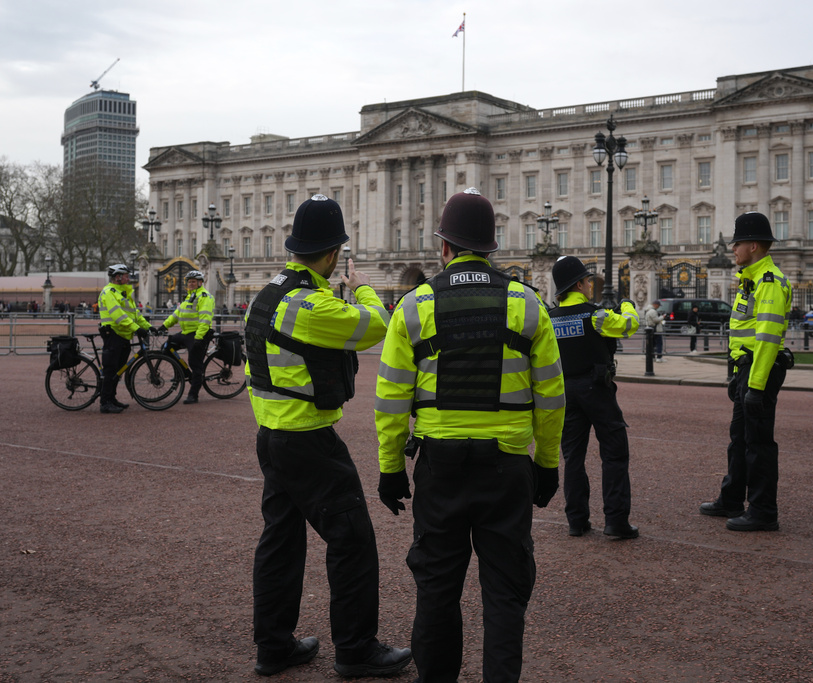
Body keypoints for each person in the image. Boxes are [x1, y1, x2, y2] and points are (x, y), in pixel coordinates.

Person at [374, 188, 564, 683]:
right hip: (507, 465)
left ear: (445, 246)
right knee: (505, 593)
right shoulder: (528, 304)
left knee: (437, 590)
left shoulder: (414, 305)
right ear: (491, 246)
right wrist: (546, 462)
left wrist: (391, 468)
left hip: (441, 466)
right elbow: (551, 399)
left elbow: (392, 402)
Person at [244, 194, 410, 678]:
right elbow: (375, 326)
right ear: (334, 252)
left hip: (271, 433)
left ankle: (274, 646)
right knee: (352, 542)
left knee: (281, 541)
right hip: (308, 439)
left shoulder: (268, 290)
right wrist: (360, 289)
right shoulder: (309, 303)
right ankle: (356, 649)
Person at [700, 212, 792, 532]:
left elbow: (767, 338)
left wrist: (755, 385)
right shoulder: (750, 278)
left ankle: (764, 510)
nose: (732, 249)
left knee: (759, 443)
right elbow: (744, 332)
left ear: (753, 245)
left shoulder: (769, 282)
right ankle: (732, 498)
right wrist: (736, 375)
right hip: (747, 368)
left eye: (737, 243)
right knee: (739, 439)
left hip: (760, 369)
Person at [549, 255, 641, 539]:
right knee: (614, 452)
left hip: (564, 391)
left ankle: (577, 520)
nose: (590, 284)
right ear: (578, 284)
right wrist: (627, 305)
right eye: (588, 280)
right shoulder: (595, 314)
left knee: (573, 457)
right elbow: (629, 325)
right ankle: (616, 520)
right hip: (596, 387)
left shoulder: (550, 318)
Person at [97, 263, 152, 414]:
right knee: (110, 370)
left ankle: (112, 398)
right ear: (117, 277)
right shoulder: (109, 292)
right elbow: (118, 316)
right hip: (113, 334)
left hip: (124, 335)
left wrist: (147, 326)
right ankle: (105, 403)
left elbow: (135, 314)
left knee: (118, 370)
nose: (129, 278)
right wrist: (137, 329)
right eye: (126, 275)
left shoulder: (124, 292)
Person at [154, 270, 214, 404]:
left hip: (198, 334)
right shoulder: (189, 296)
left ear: (200, 283)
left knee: (195, 363)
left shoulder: (205, 296)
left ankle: (193, 395)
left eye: (193, 281)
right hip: (186, 332)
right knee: (167, 345)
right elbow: (177, 314)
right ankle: (183, 372)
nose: (191, 284)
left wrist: (199, 337)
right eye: (189, 282)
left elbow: (205, 319)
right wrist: (164, 326)